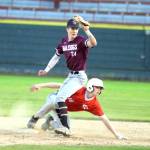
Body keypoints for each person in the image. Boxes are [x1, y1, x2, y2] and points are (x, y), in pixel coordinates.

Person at [36, 16, 97, 132]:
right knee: (58, 98)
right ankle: (53, 120)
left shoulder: (80, 40)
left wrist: (87, 30)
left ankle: (66, 128)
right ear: (67, 29)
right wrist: (46, 70)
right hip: (71, 76)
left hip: (79, 76)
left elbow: (93, 43)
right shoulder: (63, 42)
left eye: (76, 28)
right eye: (72, 28)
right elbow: (56, 57)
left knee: (60, 97)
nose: (74, 30)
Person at [27, 78, 126, 140]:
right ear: (90, 87)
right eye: (98, 87)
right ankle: (35, 117)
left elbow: (104, 118)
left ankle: (51, 121)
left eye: (100, 88)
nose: (100, 90)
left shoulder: (94, 104)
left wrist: (116, 134)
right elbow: (59, 85)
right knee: (53, 101)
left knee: (65, 131)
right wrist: (40, 85)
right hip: (54, 98)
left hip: (62, 110)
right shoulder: (78, 89)